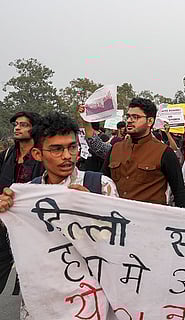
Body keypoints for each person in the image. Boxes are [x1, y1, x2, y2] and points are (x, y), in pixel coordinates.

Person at [0, 111, 118, 319]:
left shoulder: (100, 186)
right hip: (42, 302)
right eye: (56, 149)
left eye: (72, 147)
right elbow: (17, 244)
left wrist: (94, 210)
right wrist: (5, 213)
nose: (66, 156)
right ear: (37, 154)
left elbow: (117, 246)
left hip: (91, 301)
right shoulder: (25, 194)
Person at [102, 98, 185, 207]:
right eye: (128, 116)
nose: (129, 120)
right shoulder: (115, 149)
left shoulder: (165, 152)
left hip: (151, 220)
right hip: (116, 217)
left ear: (150, 121)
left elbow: (179, 193)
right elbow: (103, 182)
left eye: (136, 117)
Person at [0, 111, 43, 297]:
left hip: (30, 228)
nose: (17, 128)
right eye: (16, 124)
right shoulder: (7, 154)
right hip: (3, 224)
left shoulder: (43, 158)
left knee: (31, 283)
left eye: (24, 125)